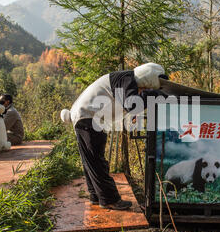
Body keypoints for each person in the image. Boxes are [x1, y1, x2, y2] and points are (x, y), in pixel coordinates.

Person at [61, 63, 168, 210]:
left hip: (89, 117)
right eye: (145, 89)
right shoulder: (128, 79)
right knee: (96, 160)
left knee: (92, 160)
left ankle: (96, 195)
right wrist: (157, 95)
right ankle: (109, 199)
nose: (143, 91)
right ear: (148, 79)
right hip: (87, 116)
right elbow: (131, 103)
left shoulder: (125, 79)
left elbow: (128, 104)